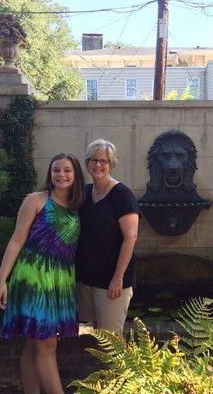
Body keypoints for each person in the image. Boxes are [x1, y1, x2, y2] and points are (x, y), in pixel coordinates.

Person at [0, 153, 85, 394]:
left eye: (67, 170)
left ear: (76, 175)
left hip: (60, 280)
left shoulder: (77, 207)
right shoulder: (36, 200)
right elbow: (16, 240)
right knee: (47, 344)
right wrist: (2, 280)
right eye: (56, 170)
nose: (61, 175)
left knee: (33, 343)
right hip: (33, 278)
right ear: (50, 173)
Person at [76, 139, 140, 335]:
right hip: (87, 280)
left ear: (111, 164)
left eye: (103, 161)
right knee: (98, 337)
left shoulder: (122, 195)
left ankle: (120, 368)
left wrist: (117, 278)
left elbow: (130, 238)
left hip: (111, 283)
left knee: (112, 342)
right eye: (93, 160)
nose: (98, 165)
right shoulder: (85, 193)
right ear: (87, 163)